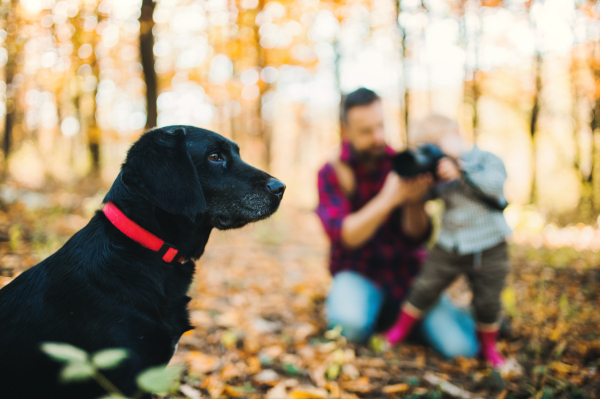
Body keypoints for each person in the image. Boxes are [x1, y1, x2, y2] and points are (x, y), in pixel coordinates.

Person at [316, 88, 479, 358]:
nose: (378, 137)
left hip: (408, 274)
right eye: (366, 131)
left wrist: (414, 202)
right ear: (346, 131)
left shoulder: (403, 163)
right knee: (349, 328)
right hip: (358, 271)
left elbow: (418, 236)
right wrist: (388, 200)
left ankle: (465, 316)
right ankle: (379, 314)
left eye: (380, 126)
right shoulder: (332, 171)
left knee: (462, 349)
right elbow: (345, 235)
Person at [384, 115, 512, 368]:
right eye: (424, 149)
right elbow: (426, 198)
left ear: (456, 133)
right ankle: (397, 332)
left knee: (488, 300)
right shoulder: (438, 172)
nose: (431, 154)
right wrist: (416, 178)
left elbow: (495, 187)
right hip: (451, 243)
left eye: (433, 146)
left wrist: (461, 169)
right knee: (425, 286)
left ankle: (490, 349)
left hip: (490, 244)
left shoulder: (486, 160)